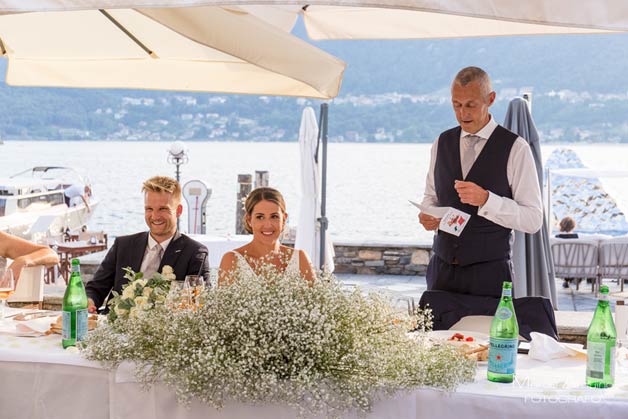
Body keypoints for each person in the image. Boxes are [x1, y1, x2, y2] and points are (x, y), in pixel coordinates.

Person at [418, 66, 543, 298]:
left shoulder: (516, 148)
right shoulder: (441, 143)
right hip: (441, 273)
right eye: (456, 104)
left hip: (490, 275)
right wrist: (429, 216)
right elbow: (431, 196)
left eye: (471, 105)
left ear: (491, 99)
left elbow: (533, 219)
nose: (463, 113)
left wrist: (487, 200)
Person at [85, 176, 209, 313]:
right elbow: (96, 288)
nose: (155, 216)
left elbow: (198, 304)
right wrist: (89, 302)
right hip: (113, 327)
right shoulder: (123, 245)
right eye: (149, 209)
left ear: (178, 211)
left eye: (163, 209)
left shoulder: (195, 253)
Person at [219, 187, 315, 285]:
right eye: (260, 217)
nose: (268, 225)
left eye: (274, 217)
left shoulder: (300, 259)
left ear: (284, 219)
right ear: (249, 219)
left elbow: (317, 299)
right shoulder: (232, 260)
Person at [555, 216, 579, 288]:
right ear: (573, 226)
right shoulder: (576, 237)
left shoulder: (557, 237)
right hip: (575, 265)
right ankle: (574, 279)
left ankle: (567, 280)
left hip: (559, 264)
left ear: (561, 225)